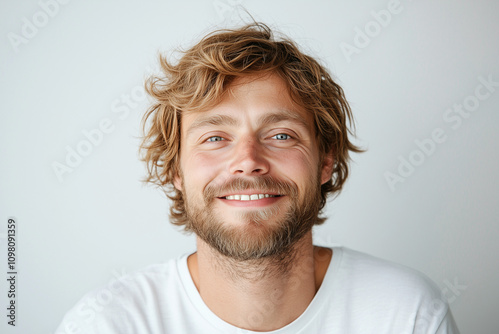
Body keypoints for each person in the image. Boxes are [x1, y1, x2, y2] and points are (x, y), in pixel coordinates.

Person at [56, 22, 460, 333]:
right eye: (215, 137)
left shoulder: (405, 314)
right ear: (176, 170)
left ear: (325, 162)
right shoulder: (106, 324)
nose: (248, 162)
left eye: (281, 135)